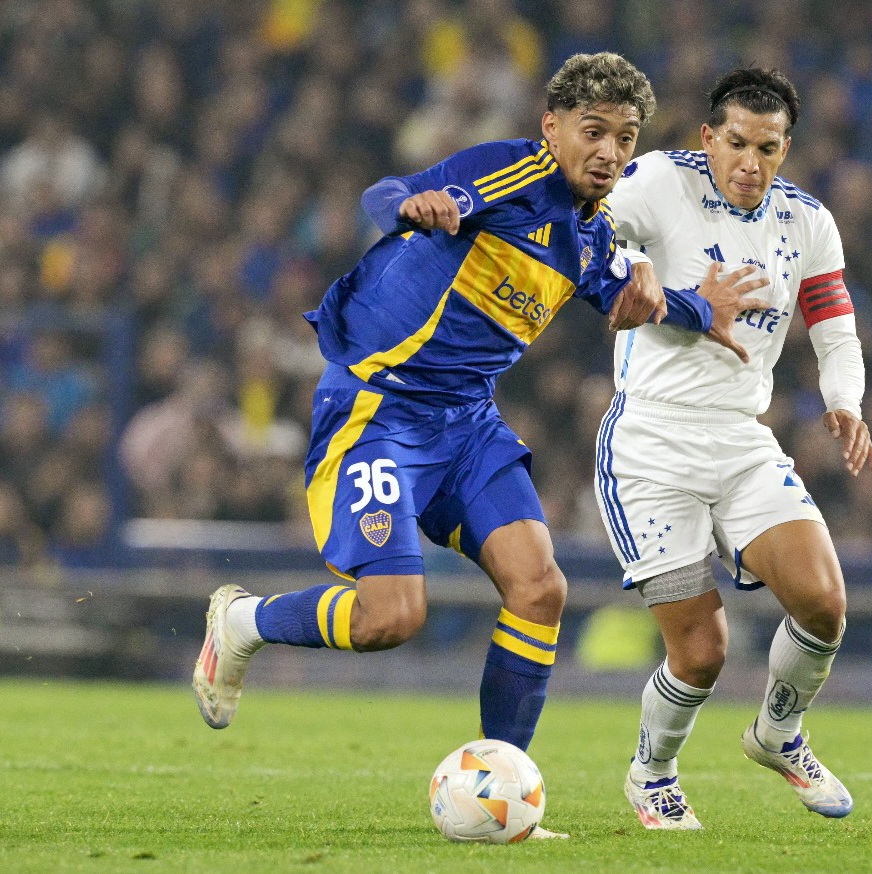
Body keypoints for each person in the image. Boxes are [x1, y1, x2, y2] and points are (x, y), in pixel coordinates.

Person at [192, 52, 766, 835]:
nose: (609, 152)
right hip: (378, 413)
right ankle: (242, 624)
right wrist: (417, 204)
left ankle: (502, 792)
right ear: (551, 127)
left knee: (541, 589)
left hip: (465, 426)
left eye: (626, 138)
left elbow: (639, 297)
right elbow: (383, 194)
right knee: (391, 617)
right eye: (593, 131)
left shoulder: (592, 239)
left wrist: (703, 309)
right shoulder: (508, 177)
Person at [595, 67, 872, 830]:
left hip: (742, 439)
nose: (753, 163)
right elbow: (583, 237)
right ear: (709, 138)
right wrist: (646, 275)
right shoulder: (656, 183)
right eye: (739, 144)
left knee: (823, 604)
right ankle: (652, 772)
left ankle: (778, 733)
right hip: (652, 441)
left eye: (771, 148)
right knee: (702, 653)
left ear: (788, 148)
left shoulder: (807, 221)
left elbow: (834, 325)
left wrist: (844, 403)